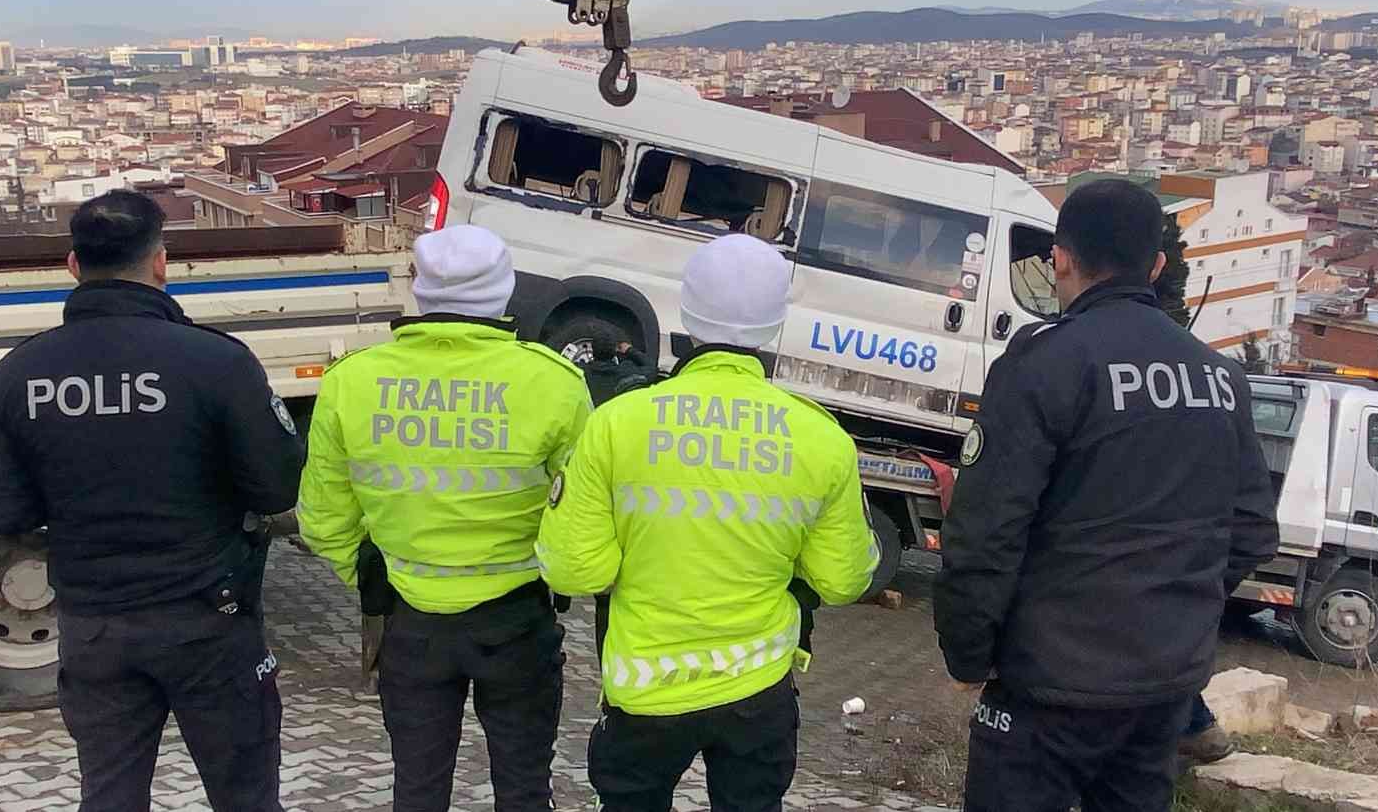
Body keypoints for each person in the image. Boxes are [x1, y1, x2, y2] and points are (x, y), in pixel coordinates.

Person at [932, 179, 1279, 812]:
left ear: (1060, 258)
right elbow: (1254, 528)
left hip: (1047, 685)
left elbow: (985, 535)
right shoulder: (1222, 378)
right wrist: (1172, 605)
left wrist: (969, 655)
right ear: (1155, 266)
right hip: (1162, 689)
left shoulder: (1044, 364)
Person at [0, 190, 304, 812]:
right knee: (246, 798)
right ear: (161, 263)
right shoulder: (216, 362)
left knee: (111, 796)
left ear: (73, 265)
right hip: (209, 623)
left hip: (95, 628)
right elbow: (278, 487)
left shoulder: (21, 370)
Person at [536, 233, 879, 812]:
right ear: (775, 324)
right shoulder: (821, 438)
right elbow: (845, 580)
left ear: (687, 312)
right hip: (759, 692)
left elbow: (573, 569)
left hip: (644, 692)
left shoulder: (619, 422)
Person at [297, 225, 592, 812]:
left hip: (407, 621)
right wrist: (554, 577)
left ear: (418, 290)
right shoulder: (554, 382)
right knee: (525, 788)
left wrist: (376, 578)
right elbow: (582, 517)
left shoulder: (351, 380)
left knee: (418, 790)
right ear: (506, 291)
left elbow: (323, 519)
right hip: (517, 619)